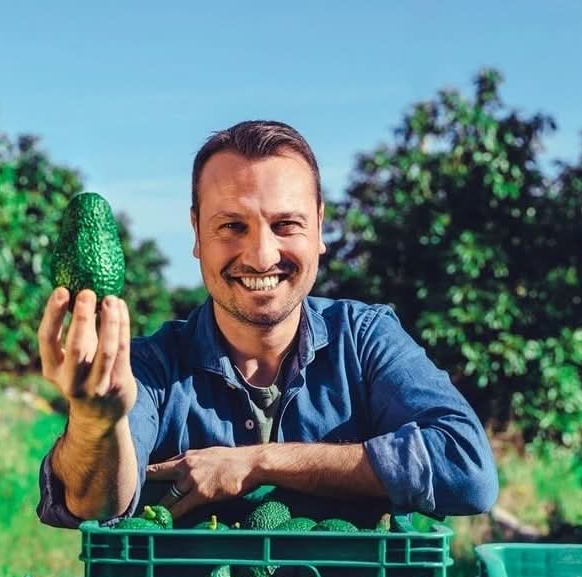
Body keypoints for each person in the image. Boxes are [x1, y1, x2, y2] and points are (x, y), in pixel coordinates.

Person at [36, 120, 497, 529]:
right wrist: (97, 421)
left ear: (319, 228)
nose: (261, 255)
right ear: (197, 233)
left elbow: (467, 469)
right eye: (232, 226)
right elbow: (96, 505)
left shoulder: (365, 340)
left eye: (285, 224)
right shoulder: (151, 367)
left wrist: (259, 462)